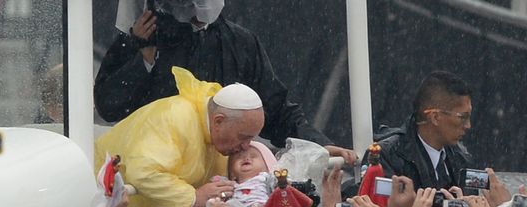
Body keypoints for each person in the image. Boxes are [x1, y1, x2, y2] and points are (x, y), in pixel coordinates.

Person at [94, 1, 356, 164]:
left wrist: (317, 145)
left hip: (220, 183)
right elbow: (109, 105)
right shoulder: (144, 37)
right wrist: (141, 57)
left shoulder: (238, 42)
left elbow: (276, 110)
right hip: (158, 177)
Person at [95, 66, 263, 207]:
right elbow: (144, 172)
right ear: (218, 121)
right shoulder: (175, 117)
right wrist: (194, 196)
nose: (245, 147)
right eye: (243, 138)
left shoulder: (215, 128)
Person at [364, 71, 472, 190]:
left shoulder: (460, 157)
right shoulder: (386, 157)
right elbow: (376, 204)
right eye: (462, 117)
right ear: (435, 117)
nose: (468, 125)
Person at [227, 140, 277, 207]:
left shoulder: (265, 178)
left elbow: (278, 185)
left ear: (266, 166)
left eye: (253, 156)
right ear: (232, 173)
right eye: (239, 157)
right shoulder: (230, 185)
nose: (246, 158)